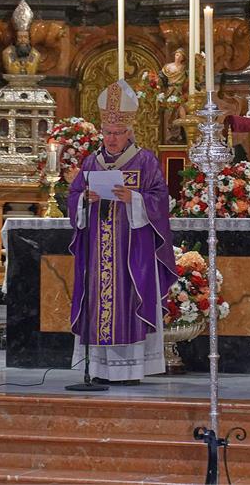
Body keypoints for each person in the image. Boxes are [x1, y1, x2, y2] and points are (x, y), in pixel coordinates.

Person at [68, 79, 177, 383]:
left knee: (129, 301)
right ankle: (99, 368)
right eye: (107, 133)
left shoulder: (145, 161)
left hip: (132, 251)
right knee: (97, 302)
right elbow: (73, 195)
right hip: (97, 251)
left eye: (117, 134)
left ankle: (130, 369)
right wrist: (84, 201)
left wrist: (135, 199)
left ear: (129, 132)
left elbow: (160, 199)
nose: (112, 139)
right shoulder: (92, 161)